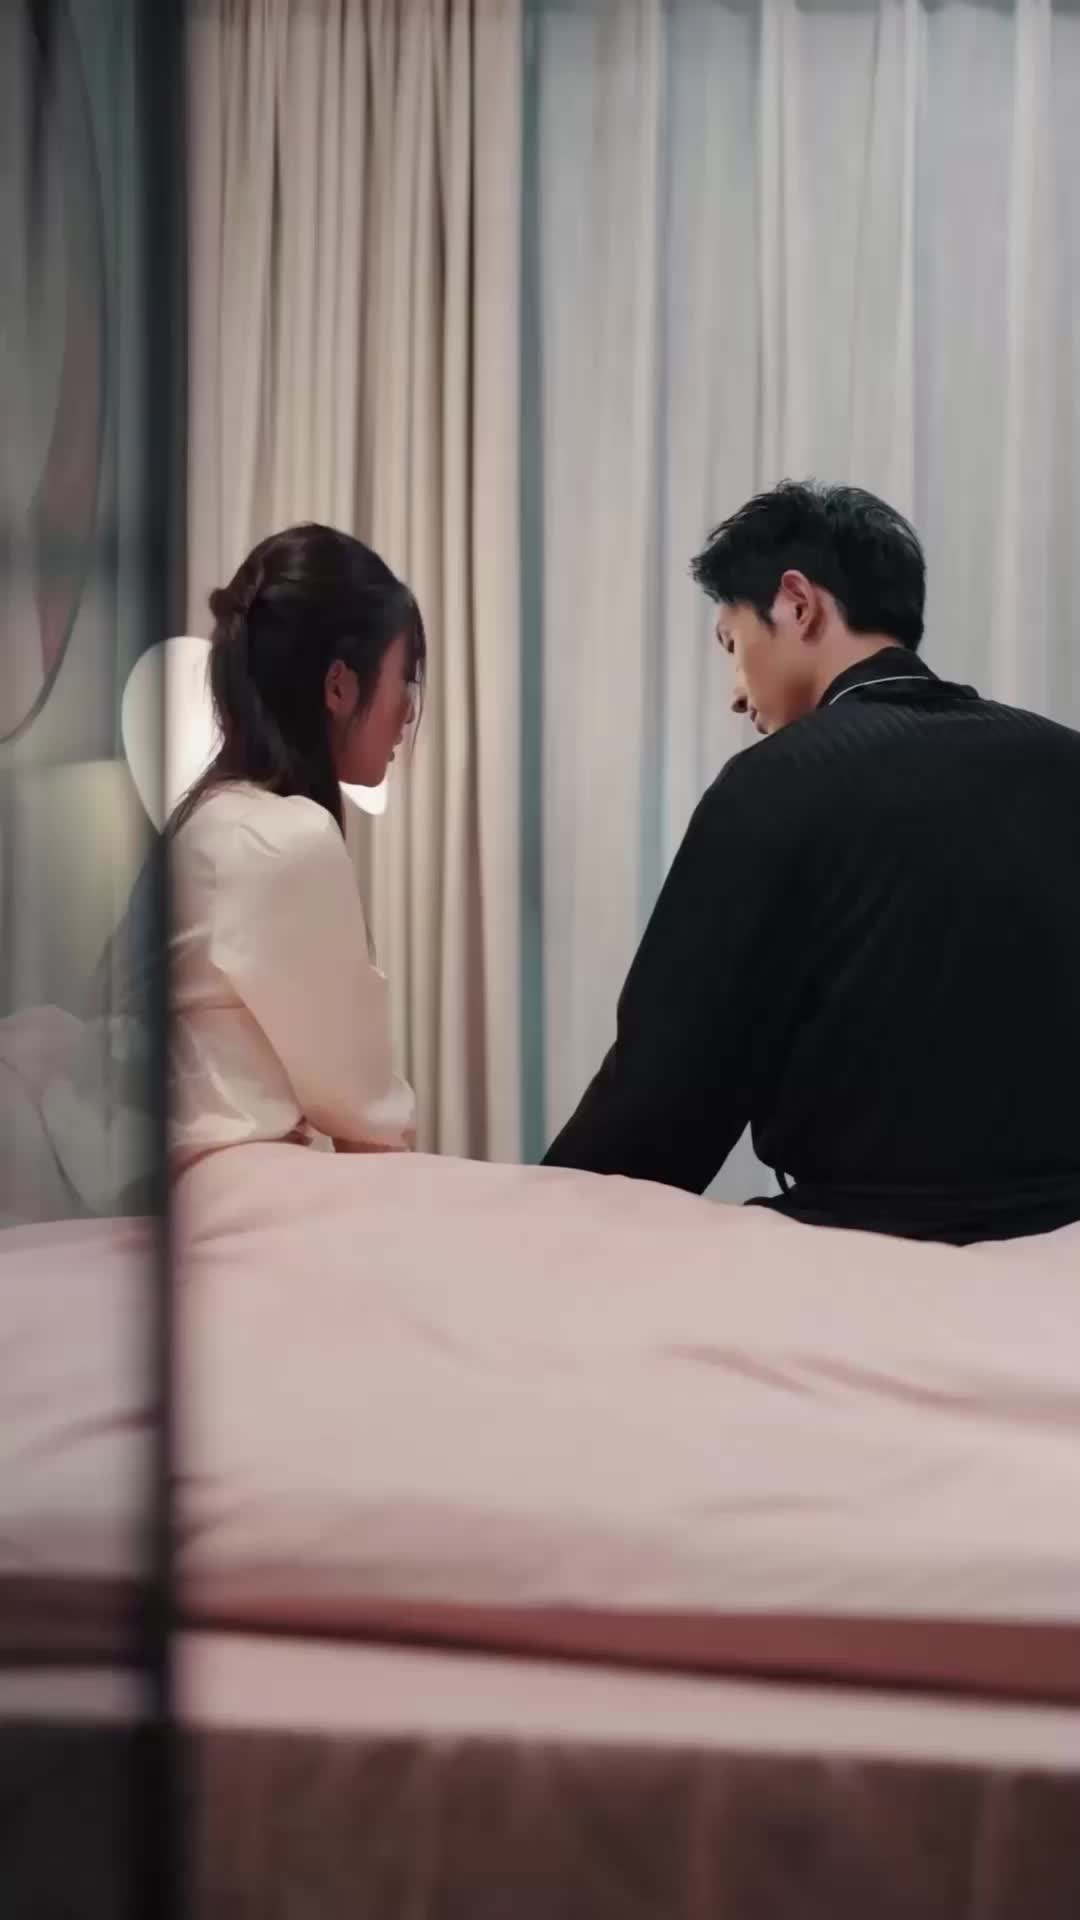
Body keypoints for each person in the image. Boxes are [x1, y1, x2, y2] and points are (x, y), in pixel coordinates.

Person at [544, 480, 1080, 1245]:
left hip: (861, 1257)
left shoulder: (775, 785)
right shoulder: (1064, 761)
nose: (736, 695)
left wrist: (537, 1225)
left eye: (732, 645)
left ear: (797, 603)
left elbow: (659, 1106)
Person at [168, 523, 421, 1169]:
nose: (407, 711)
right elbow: (367, 1123)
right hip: (232, 1185)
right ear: (339, 686)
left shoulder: (215, 820)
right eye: (405, 679)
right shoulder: (279, 841)